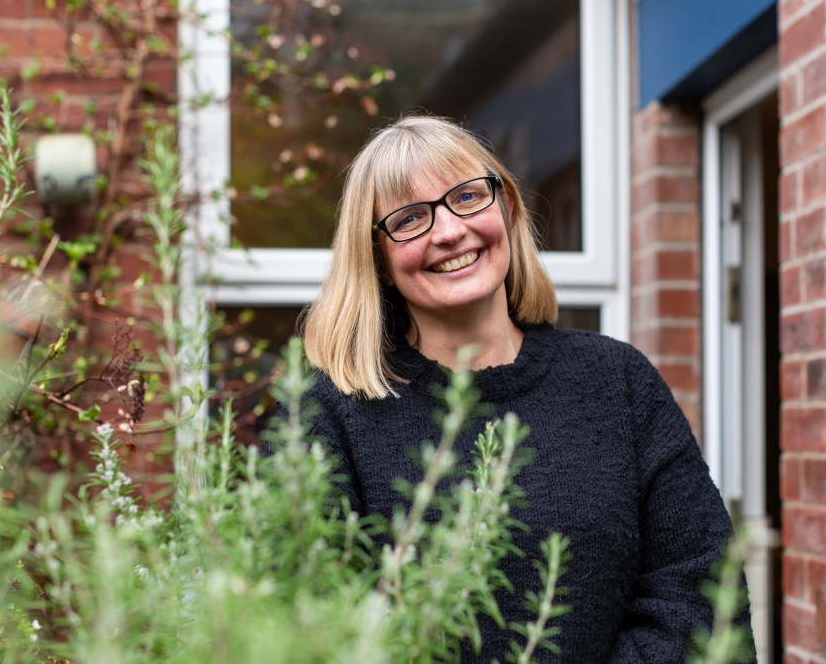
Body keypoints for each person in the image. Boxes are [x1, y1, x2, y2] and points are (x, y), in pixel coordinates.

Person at [299, 115, 753, 663]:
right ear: (377, 259)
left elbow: (700, 591)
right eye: (410, 218)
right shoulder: (330, 416)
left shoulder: (617, 381)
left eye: (467, 197)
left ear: (507, 207)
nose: (448, 231)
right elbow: (308, 624)